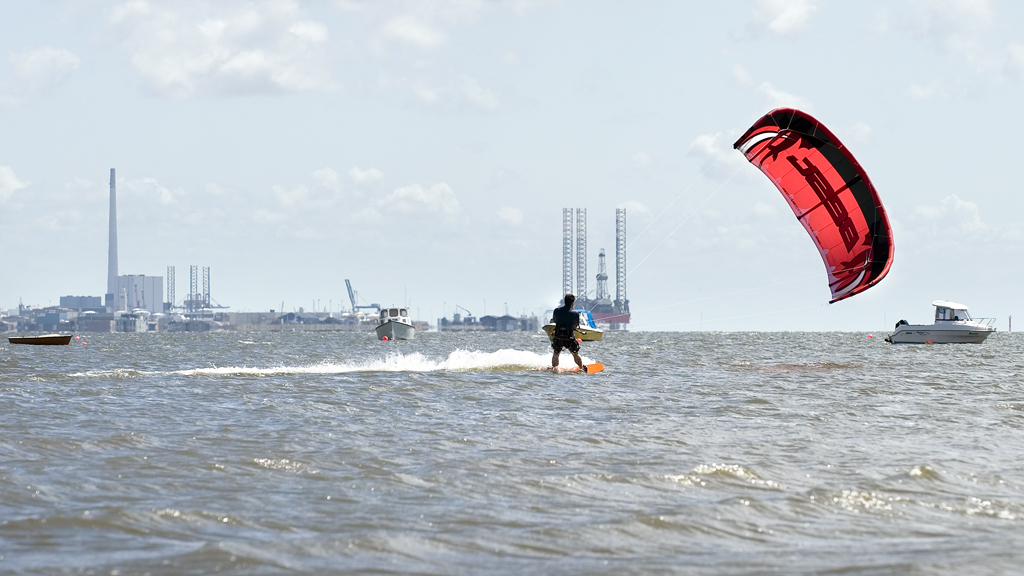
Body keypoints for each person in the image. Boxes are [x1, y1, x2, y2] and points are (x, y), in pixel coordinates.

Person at [551, 293, 586, 372]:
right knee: (575, 353)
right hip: (569, 338)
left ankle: (554, 368)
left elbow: (555, 320)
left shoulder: (556, 311)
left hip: (558, 336)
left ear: (565, 301)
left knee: (556, 353)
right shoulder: (575, 314)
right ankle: (581, 368)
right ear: (573, 302)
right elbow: (576, 325)